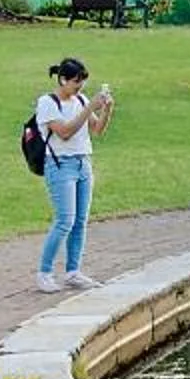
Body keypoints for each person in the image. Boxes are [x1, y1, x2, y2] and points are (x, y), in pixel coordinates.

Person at [34, 56, 116, 292]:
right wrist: (90, 108)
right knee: (64, 221)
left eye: (81, 82)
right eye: (75, 82)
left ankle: (73, 271)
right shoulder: (47, 103)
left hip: (82, 164)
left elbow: (97, 129)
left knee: (80, 221)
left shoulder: (80, 99)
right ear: (63, 79)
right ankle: (44, 272)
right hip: (60, 165)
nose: (79, 87)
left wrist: (107, 109)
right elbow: (65, 132)